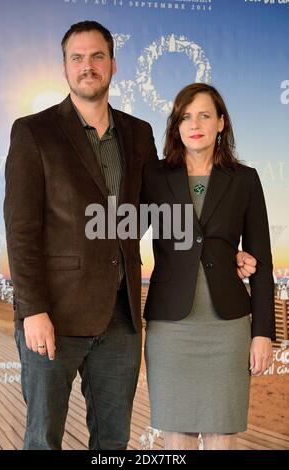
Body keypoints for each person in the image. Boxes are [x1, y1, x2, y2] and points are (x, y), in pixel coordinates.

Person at [4, 21, 256, 450]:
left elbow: (162, 206)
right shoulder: (33, 131)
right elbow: (22, 228)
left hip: (122, 321)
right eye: (77, 58)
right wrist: (32, 310)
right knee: (43, 439)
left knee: (113, 442)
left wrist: (215, 249)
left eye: (97, 56)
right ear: (65, 68)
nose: (88, 66)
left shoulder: (138, 133)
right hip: (54, 318)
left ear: (113, 65)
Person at [142, 83, 275, 450]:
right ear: (175, 126)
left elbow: (260, 260)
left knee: (221, 437)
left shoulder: (245, 180)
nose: (194, 123)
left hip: (227, 328)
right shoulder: (153, 176)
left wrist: (262, 332)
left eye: (204, 115)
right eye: (185, 116)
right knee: (176, 439)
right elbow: (124, 233)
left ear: (221, 123)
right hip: (171, 329)